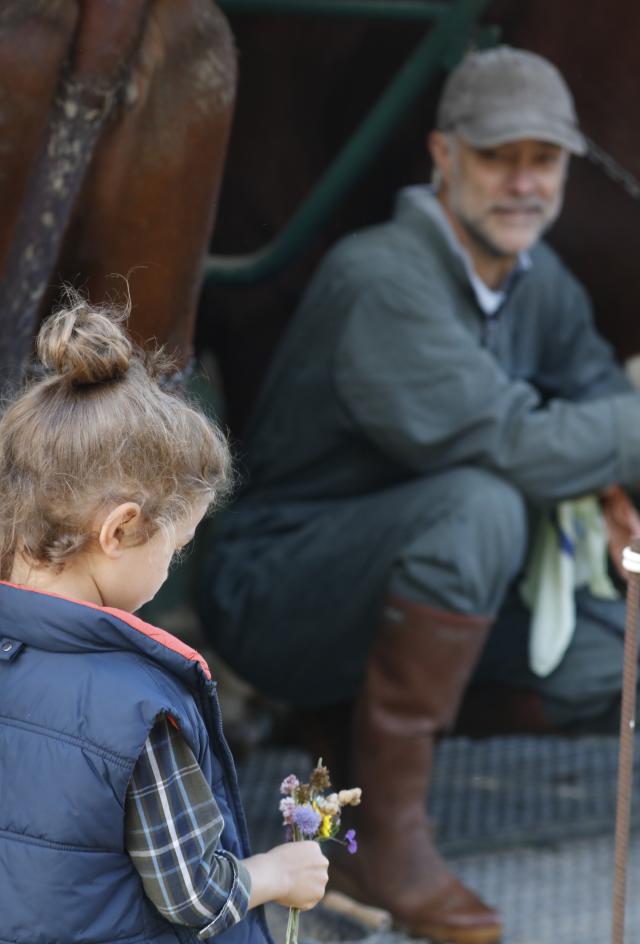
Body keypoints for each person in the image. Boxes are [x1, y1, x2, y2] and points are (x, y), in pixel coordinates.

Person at [198, 46, 640, 944]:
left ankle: (344, 734)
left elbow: (601, 396)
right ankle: (382, 845)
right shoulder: (383, 274)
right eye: (496, 155)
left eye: (544, 159)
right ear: (442, 156)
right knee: (483, 502)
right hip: (278, 590)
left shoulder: (533, 278)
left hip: (408, 583)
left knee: (614, 654)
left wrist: (608, 480)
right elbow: (518, 447)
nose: (524, 182)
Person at [0, 295, 328, 943]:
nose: (170, 572)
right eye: (175, 551)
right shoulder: (138, 710)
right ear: (120, 530)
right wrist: (277, 872)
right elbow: (196, 896)